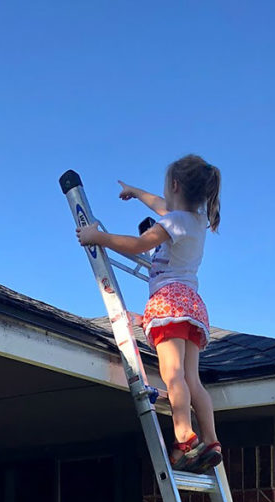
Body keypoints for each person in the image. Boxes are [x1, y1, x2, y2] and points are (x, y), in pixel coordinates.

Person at [76, 155, 222, 472]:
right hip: (192, 305)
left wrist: (96, 236)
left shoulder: (172, 222)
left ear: (175, 185)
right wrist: (135, 191)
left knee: (173, 376)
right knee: (193, 378)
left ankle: (185, 437)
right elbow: (159, 204)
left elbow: (139, 244)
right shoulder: (195, 222)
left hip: (168, 302)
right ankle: (211, 439)